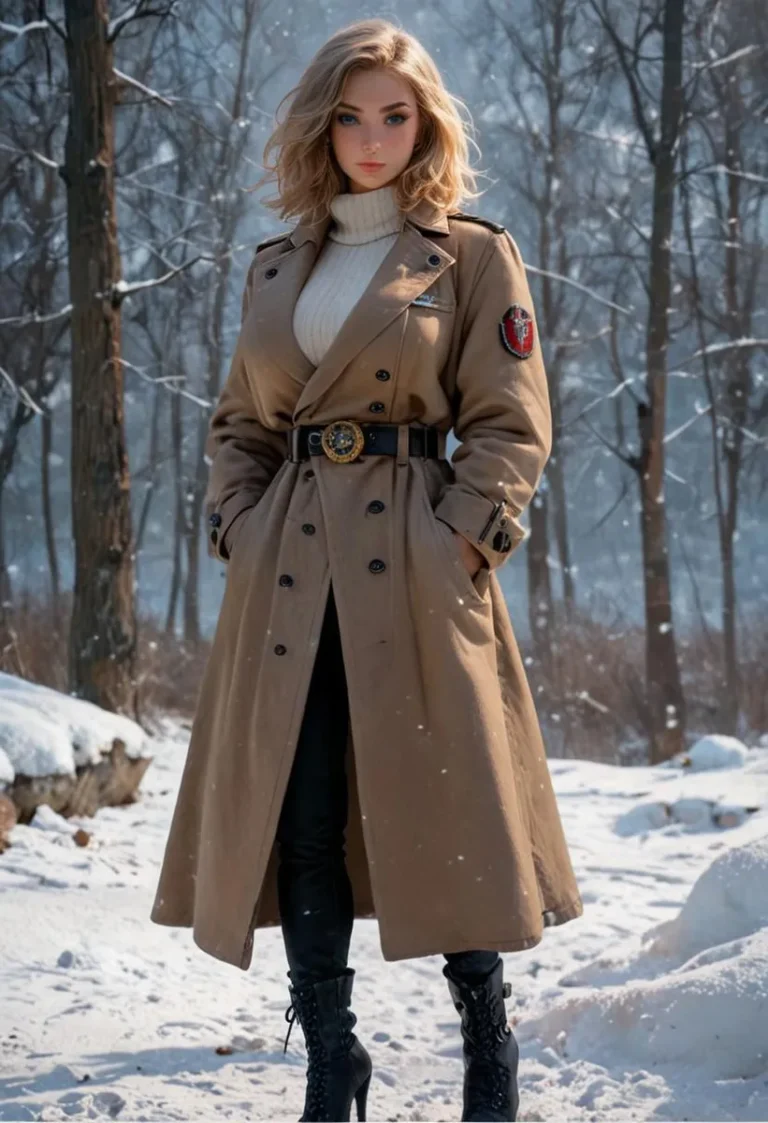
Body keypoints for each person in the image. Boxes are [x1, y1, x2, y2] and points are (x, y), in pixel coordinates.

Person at [150, 18, 583, 1123]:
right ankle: (330, 1062)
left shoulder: (472, 254)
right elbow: (239, 424)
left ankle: (489, 1048)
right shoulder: (278, 263)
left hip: (416, 568)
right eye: (352, 114)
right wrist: (238, 525)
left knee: (451, 808)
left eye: (397, 114)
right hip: (289, 571)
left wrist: (461, 539)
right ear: (323, 125)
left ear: (425, 122)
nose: (374, 137)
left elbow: (511, 421)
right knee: (302, 824)